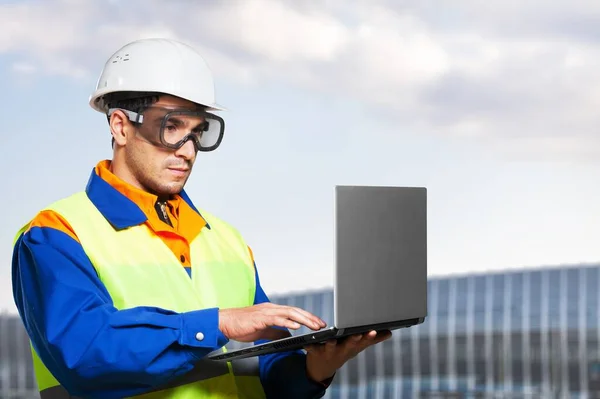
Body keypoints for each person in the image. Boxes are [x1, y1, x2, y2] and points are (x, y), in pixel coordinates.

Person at [11, 38, 391, 399]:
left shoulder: (225, 239)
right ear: (120, 126)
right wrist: (216, 325)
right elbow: (85, 355)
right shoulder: (57, 233)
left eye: (198, 133)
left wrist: (313, 370)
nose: (188, 151)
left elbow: (266, 372)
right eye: (171, 127)